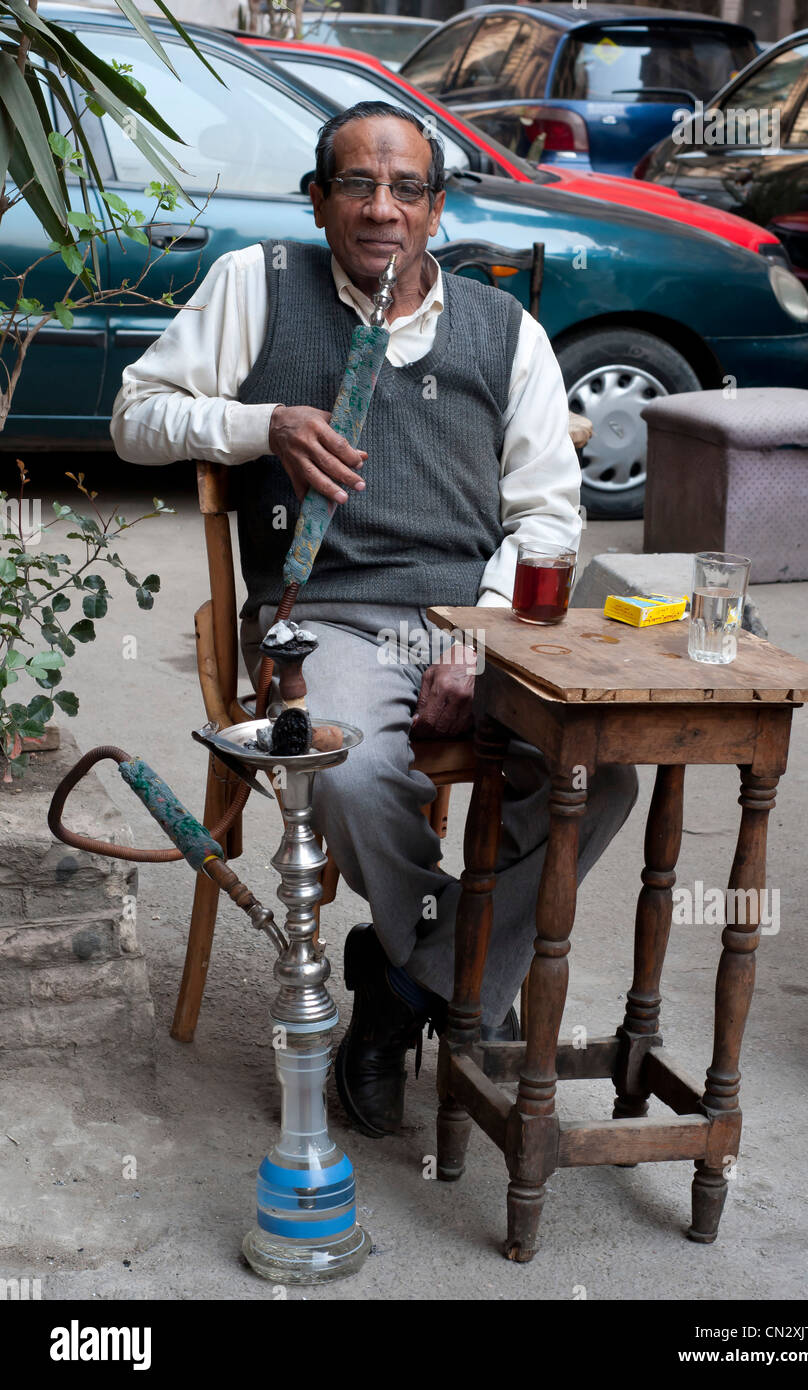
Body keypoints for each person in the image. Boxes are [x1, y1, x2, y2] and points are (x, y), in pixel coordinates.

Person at [111, 101, 638, 1138]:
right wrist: (259, 421)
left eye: (406, 189)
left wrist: (477, 628)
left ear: (436, 209)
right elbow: (134, 417)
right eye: (357, 184)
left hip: (471, 617)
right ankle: (447, 976)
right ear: (318, 201)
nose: (381, 209)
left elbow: (545, 511)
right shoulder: (258, 285)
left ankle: (402, 981)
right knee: (345, 767)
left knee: (603, 773)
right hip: (329, 618)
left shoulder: (504, 331)